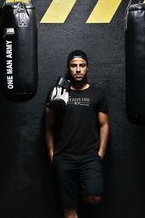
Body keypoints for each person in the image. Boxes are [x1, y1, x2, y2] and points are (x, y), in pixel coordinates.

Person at [45, 50, 109, 218]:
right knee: (69, 210)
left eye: (82, 65)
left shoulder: (97, 94)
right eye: (74, 66)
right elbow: (48, 125)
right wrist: (52, 154)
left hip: (89, 157)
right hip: (64, 157)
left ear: (87, 68)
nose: (78, 69)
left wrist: (100, 153)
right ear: (69, 68)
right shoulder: (57, 92)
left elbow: (104, 125)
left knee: (94, 197)